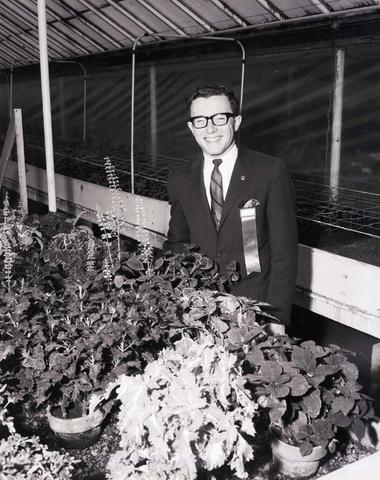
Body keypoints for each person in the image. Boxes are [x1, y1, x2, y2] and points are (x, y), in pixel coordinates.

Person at [163, 83, 298, 325]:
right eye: (201, 120)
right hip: (199, 308)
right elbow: (177, 244)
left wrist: (276, 319)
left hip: (255, 309)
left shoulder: (269, 171)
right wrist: (176, 302)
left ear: (235, 122)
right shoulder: (180, 177)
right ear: (192, 128)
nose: (211, 128)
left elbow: (284, 253)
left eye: (220, 118)